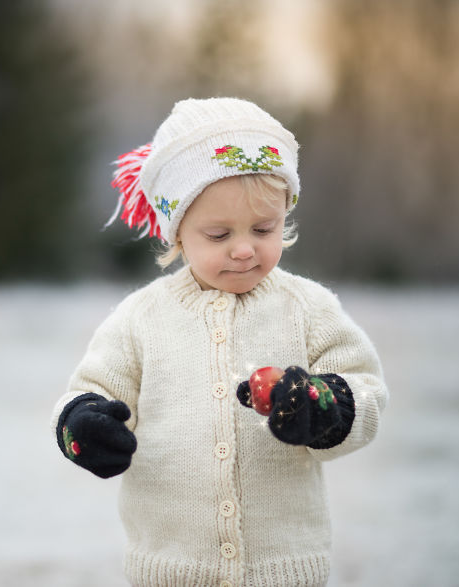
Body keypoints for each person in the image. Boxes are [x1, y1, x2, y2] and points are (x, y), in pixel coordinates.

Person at [51, 97, 388, 587]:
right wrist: (83, 425)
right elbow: (92, 388)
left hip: (284, 572)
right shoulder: (141, 319)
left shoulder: (309, 310)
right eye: (218, 233)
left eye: (264, 228)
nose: (245, 247)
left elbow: (367, 390)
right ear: (178, 234)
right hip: (170, 570)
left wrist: (326, 406)